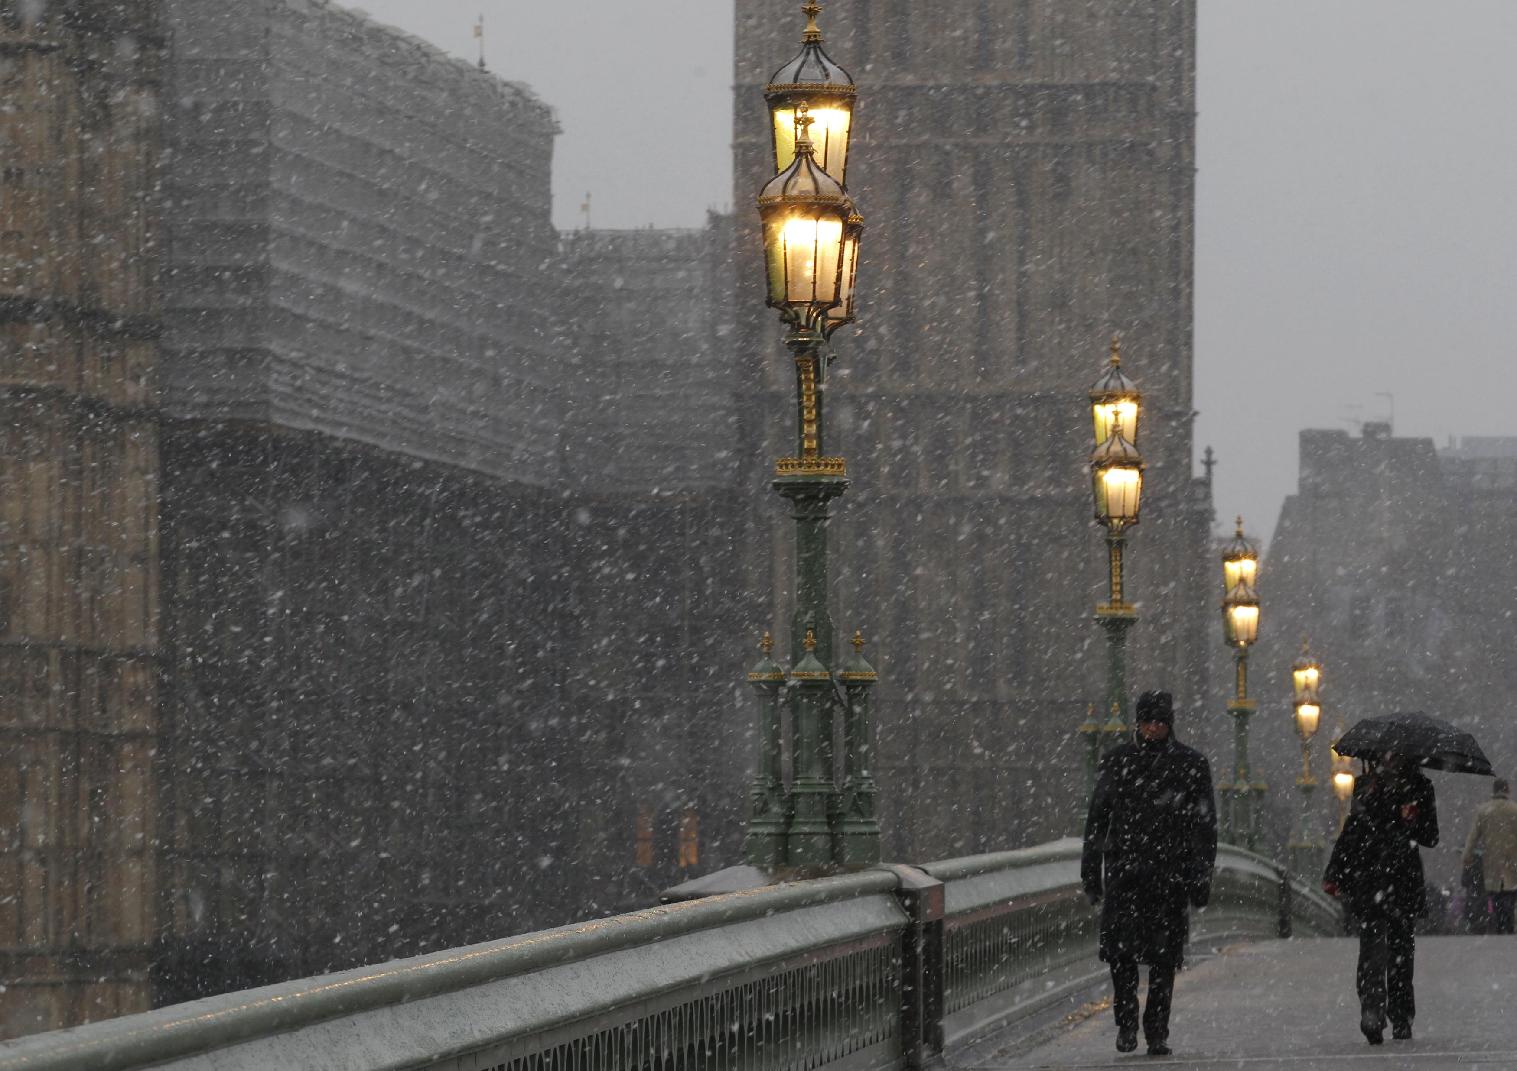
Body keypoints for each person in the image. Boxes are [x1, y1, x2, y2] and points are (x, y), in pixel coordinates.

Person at [1081, 690, 1217, 1057]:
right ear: (1138, 724)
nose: (1153, 728)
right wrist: (1091, 874)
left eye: (1159, 722)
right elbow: (1097, 822)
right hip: (1127, 874)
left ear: (1168, 723)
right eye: (1147, 722)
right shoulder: (1118, 762)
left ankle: (1156, 1030)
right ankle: (1127, 1023)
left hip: (1169, 874)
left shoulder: (1192, 765)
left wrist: (1200, 874)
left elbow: (1205, 828)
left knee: (1164, 959)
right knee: (1121, 955)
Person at [1322, 755, 1438, 1045]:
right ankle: (1386, 1013)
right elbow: (1355, 828)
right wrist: (1336, 870)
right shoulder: (1380, 785)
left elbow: (1430, 836)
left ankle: (1386, 1013)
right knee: (1387, 949)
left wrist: (1412, 818)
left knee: (1386, 948)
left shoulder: (1411, 786)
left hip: (1385, 876)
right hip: (1385, 876)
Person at [1462, 778, 1517, 935]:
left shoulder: (1483, 811)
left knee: (1496, 896)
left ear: (1494, 791)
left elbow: (1473, 837)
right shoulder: (1515, 810)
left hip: (1492, 861)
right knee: (1510, 895)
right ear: (1507, 790)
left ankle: (1499, 925)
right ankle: (1508, 925)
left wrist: (1467, 855)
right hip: (1512, 861)